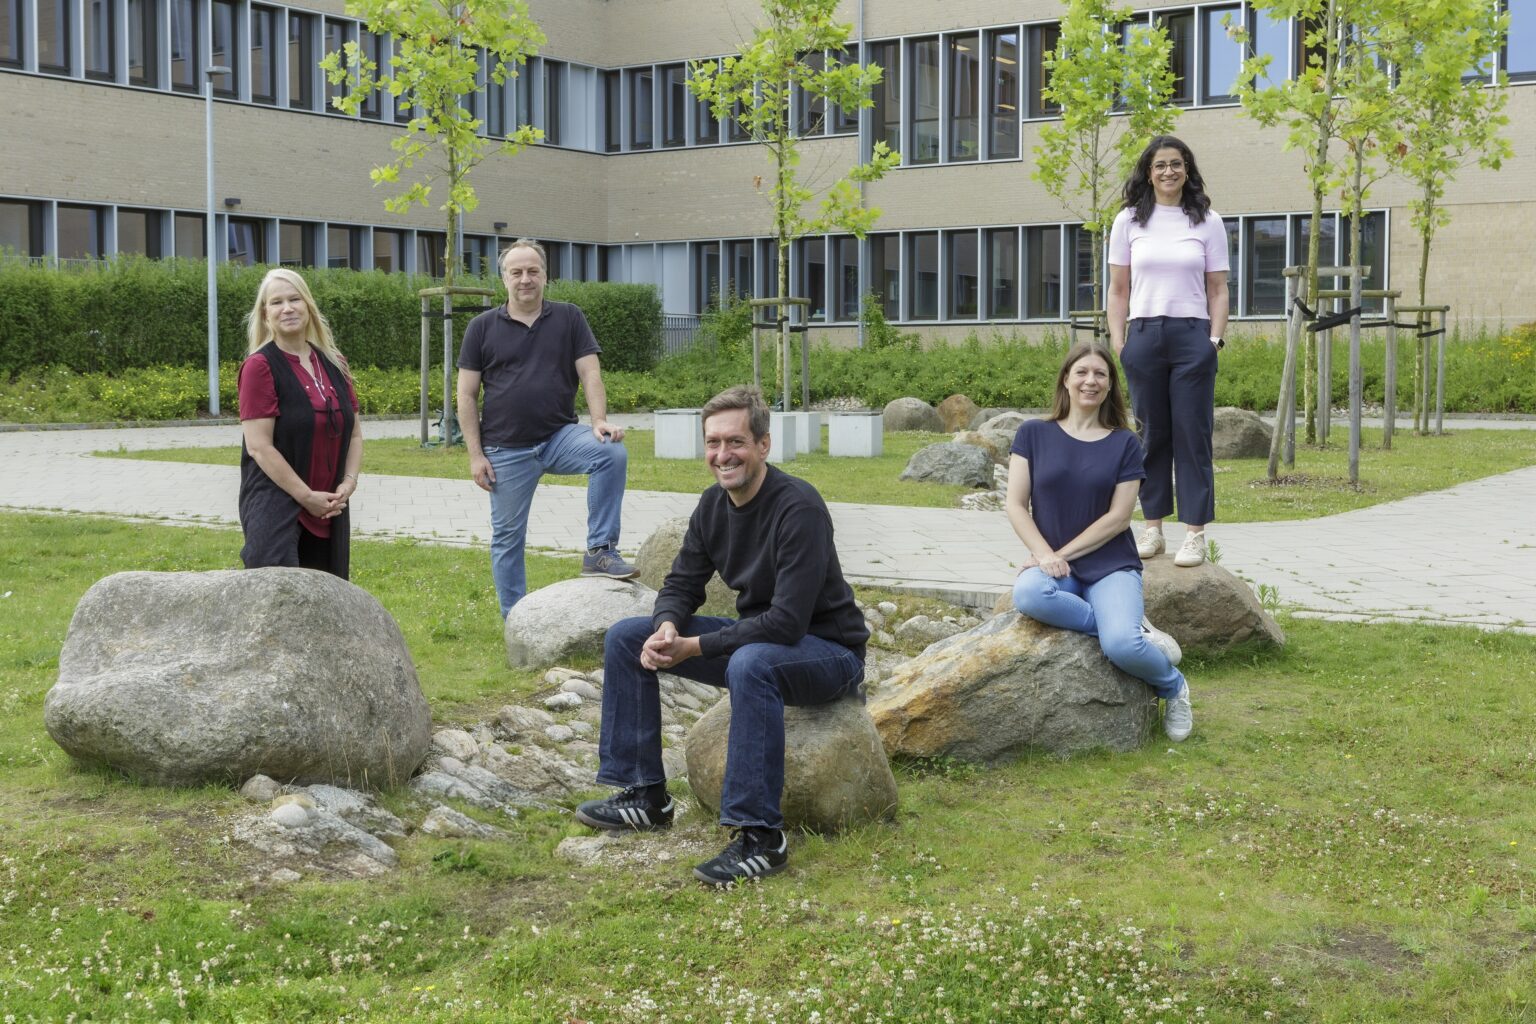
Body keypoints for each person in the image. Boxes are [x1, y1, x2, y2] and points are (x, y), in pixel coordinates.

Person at [575, 385, 869, 885]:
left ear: (763, 445)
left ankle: (762, 837)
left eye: (735, 442)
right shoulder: (713, 505)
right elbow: (681, 584)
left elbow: (787, 623)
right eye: (713, 442)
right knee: (627, 637)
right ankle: (645, 796)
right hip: (764, 642)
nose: (722, 455)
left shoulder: (799, 508)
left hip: (828, 653)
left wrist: (694, 647)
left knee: (750, 662)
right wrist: (668, 625)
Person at [1007, 341, 1193, 743]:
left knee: (1121, 646)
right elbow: (1015, 504)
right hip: (1056, 565)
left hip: (1111, 565)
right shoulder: (1033, 433)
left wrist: (1057, 555)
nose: (1090, 381)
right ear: (1065, 380)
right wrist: (1042, 554)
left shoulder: (1124, 443)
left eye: (1100, 374)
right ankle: (1132, 630)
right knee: (1029, 594)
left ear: (1110, 386)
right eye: (1082, 372)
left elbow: (1119, 518)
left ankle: (1173, 685)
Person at [457, 239, 637, 617]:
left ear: (545, 276)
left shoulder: (569, 317)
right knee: (507, 539)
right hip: (505, 450)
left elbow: (590, 374)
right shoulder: (481, 328)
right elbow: (466, 395)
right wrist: (475, 455)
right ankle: (515, 619)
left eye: (532, 271)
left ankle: (600, 551)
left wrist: (599, 421)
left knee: (610, 452)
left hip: (559, 437)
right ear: (504, 278)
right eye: (517, 272)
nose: (525, 279)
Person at [1107, 134, 1229, 568]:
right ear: (1148, 172)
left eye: (1176, 164)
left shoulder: (1207, 221)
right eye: (1160, 165)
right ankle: (1153, 527)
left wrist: (1214, 341)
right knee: (1150, 435)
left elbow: (1218, 288)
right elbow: (1118, 289)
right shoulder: (1128, 221)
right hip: (1143, 335)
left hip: (1193, 335)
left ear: (1187, 169)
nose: (1168, 171)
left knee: (1193, 436)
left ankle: (1195, 533)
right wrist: (1119, 342)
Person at [238, 268, 362, 579]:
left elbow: (354, 435)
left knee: (326, 597)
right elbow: (259, 447)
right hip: (276, 502)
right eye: (276, 302)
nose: (287, 308)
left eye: (295, 299)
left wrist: (348, 482)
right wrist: (306, 497)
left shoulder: (335, 363)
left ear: (308, 306)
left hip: (329, 503)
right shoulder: (259, 367)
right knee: (276, 591)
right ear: (265, 315)